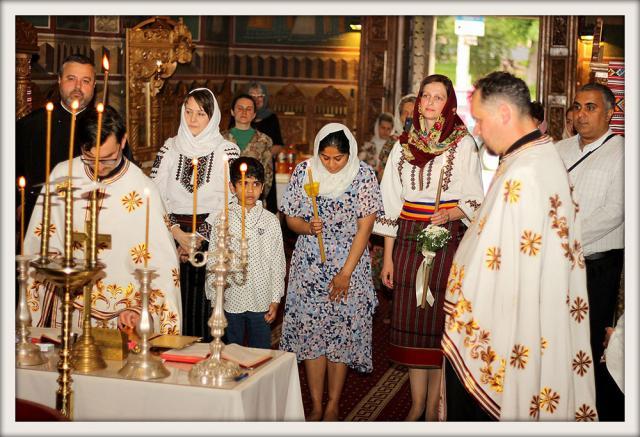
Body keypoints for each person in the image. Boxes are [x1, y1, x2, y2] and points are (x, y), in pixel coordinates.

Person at [441, 71, 596, 421]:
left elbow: (512, 268)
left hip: (509, 328)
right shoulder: (530, 157)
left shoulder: (526, 173)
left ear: (505, 114)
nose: (477, 130)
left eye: (480, 120)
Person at [373, 74, 484, 421]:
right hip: (407, 235)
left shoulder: (462, 144)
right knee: (412, 325)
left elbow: (476, 197)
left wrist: (451, 211)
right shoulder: (403, 145)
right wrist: (387, 258)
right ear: (418, 102)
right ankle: (416, 403)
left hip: (446, 236)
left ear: (448, 103)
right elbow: (390, 202)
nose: (431, 103)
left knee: (436, 324)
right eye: (426, 96)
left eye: (439, 97)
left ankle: (437, 407)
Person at [23, 105, 181, 334]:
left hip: (120, 320)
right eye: (89, 158)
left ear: (123, 141)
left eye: (107, 159)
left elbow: (163, 267)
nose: (98, 168)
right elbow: (38, 244)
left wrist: (140, 311)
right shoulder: (61, 176)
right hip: (66, 311)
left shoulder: (143, 190)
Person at [279, 123, 383, 421]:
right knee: (312, 334)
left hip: (350, 263)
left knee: (340, 335)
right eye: (325, 157)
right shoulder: (305, 172)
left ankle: (334, 402)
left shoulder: (362, 175)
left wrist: (346, 273)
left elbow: (366, 227)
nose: (331, 164)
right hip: (311, 265)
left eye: (338, 158)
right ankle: (315, 403)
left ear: (349, 154)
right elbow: (291, 219)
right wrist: (307, 226)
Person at [555, 82, 624, 421]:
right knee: (556, 338)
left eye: (591, 107)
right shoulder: (559, 150)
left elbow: (616, 211)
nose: (581, 114)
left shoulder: (623, 153)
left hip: (597, 267)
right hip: (556, 263)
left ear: (611, 112)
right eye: (577, 107)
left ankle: (588, 414)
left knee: (590, 342)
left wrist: (566, 236)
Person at [150, 88, 240, 341]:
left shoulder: (228, 151)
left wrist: (199, 237)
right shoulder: (169, 148)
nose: (192, 119)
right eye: (188, 112)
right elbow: (154, 193)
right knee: (174, 303)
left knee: (206, 308)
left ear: (212, 116)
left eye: (200, 113)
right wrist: (176, 233)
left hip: (212, 235)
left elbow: (231, 197)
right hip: (172, 234)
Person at [16, 53, 134, 227]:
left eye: (86, 81)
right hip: (42, 217)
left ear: (94, 86)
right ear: (59, 80)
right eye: (71, 78)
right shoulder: (31, 125)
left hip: (95, 217)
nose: (78, 87)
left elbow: (125, 171)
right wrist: (18, 203)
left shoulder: (107, 126)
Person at [205, 157, 285, 349]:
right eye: (243, 184)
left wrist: (275, 299)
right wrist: (215, 299)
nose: (250, 190)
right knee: (233, 353)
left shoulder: (270, 220)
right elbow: (214, 261)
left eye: (255, 184)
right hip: (231, 298)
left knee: (261, 355)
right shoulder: (222, 219)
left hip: (261, 299)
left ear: (262, 187)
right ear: (232, 187)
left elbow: (278, 262)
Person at [222, 94, 274, 198]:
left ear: (254, 114)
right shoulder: (220, 139)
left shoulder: (264, 140)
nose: (244, 112)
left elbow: (267, 175)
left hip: (253, 198)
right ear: (232, 111)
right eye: (240, 108)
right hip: (224, 198)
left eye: (249, 109)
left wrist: (257, 195)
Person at [247, 81, 284, 214]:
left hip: (265, 169)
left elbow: (278, 145)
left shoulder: (271, 118)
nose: (256, 100)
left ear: (265, 98)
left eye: (260, 96)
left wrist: (260, 156)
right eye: (252, 96)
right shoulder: (241, 116)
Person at [377, 94, 416, 178]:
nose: (409, 116)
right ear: (399, 117)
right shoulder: (392, 142)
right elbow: (381, 173)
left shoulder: (427, 142)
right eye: (405, 113)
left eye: (413, 113)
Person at [358, 111, 394, 180]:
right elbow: (358, 165)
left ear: (392, 129)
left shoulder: (395, 147)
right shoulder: (368, 146)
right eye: (383, 128)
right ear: (377, 127)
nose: (385, 131)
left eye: (388, 129)